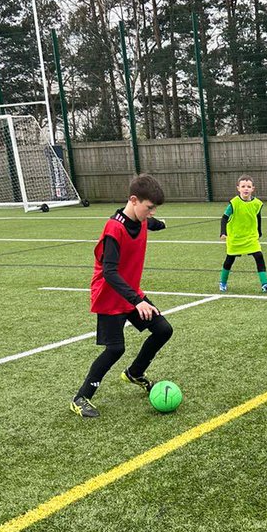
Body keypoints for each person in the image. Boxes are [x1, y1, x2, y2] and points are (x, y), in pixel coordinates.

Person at [70, 174, 172, 419]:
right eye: (149, 208)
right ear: (133, 200)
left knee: (163, 330)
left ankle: (135, 373)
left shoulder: (143, 219)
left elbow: (150, 223)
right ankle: (80, 398)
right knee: (115, 349)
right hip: (110, 295)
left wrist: (160, 222)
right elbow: (109, 272)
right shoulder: (114, 229)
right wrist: (138, 301)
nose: (151, 213)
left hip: (130, 293)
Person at [219, 175, 267, 292]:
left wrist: (259, 231)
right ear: (238, 188)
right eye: (243, 186)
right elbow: (224, 218)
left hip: (250, 237)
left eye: (248, 186)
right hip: (235, 238)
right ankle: (222, 282)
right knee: (229, 260)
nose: (246, 189)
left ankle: (265, 284)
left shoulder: (257, 203)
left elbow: (258, 217)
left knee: (259, 256)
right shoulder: (234, 203)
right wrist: (223, 232)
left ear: (253, 189)